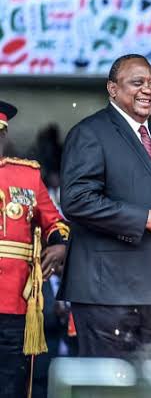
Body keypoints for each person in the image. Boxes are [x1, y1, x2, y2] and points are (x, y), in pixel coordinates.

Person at [58, 54, 151, 358]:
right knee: (107, 387)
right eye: (137, 82)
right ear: (112, 89)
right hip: (107, 293)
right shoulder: (90, 133)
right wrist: (144, 219)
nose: (148, 90)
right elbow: (76, 201)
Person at [0, 101, 69, 398]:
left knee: (12, 381)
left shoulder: (27, 177)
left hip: (17, 300)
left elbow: (56, 223)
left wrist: (61, 246)